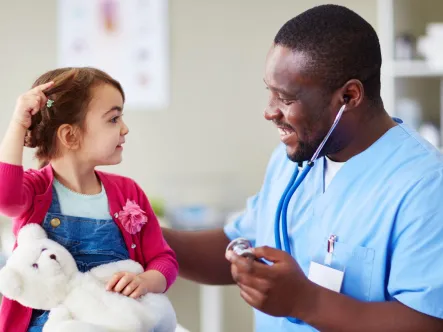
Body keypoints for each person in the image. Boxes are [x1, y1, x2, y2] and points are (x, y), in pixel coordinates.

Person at [162, 4, 443, 331]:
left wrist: (306, 302)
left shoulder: (424, 185)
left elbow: (428, 322)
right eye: (269, 92)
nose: (269, 112)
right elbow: (240, 245)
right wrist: (143, 238)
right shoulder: (293, 158)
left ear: (349, 96)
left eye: (285, 98)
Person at [0, 68, 178, 332]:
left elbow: (164, 260)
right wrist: (17, 124)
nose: (125, 128)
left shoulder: (129, 192)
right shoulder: (36, 190)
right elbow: (6, 198)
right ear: (70, 136)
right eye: (113, 118)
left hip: (114, 321)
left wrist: (146, 281)